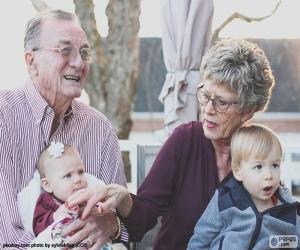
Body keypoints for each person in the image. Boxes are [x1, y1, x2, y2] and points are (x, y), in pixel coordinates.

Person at [67, 39, 276, 249]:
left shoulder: (262, 154)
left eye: (221, 102)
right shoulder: (185, 141)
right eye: (205, 95)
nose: (208, 109)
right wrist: (124, 199)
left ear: (247, 110)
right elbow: (142, 220)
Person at [0, 9, 127, 249]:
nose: (79, 63)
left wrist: (111, 224)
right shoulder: (3, 118)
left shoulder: (99, 129)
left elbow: (120, 220)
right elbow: (5, 236)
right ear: (31, 62)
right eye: (65, 50)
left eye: (84, 53)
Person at [187, 124, 300, 249]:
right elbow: (200, 240)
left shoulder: (290, 210)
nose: (269, 175)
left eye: (275, 165)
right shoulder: (225, 199)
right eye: (258, 167)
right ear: (238, 172)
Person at [31, 142, 124, 250]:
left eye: (80, 172)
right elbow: (37, 227)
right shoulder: (47, 200)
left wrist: (97, 211)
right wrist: (55, 216)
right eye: (68, 175)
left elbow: (103, 217)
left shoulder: (89, 196)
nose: (78, 179)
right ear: (48, 185)